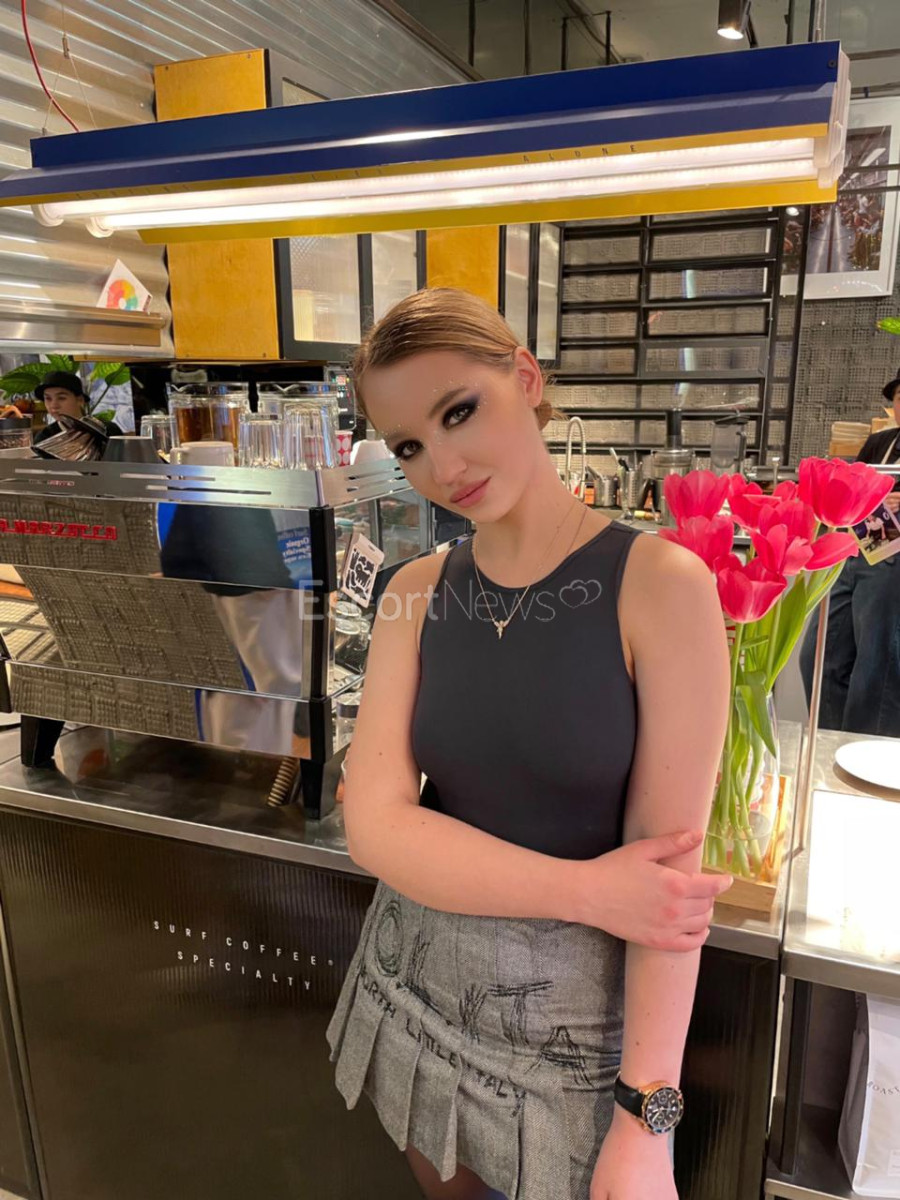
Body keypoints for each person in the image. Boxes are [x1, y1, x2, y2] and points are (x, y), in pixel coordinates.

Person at [326, 288, 731, 1200]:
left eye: (458, 411)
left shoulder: (661, 585)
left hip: (579, 1046)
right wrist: (588, 889)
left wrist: (648, 1121)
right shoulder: (414, 592)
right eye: (408, 447)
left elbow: (666, 894)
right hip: (418, 996)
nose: (444, 466)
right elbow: (375, 828)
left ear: (526, 378)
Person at [800, 368, 900, 736]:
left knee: (877, 672)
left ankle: (865, 760)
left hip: (895, 565)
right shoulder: (880, 443)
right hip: (860, 548)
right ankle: (830, 747)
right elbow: (851, 489)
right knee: (819, 659)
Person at [33, 371, 122, 443]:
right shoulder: (45, 438)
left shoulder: (107, 430)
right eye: (48, 398)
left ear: (80, 400)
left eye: (61, 398)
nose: (53, 405)